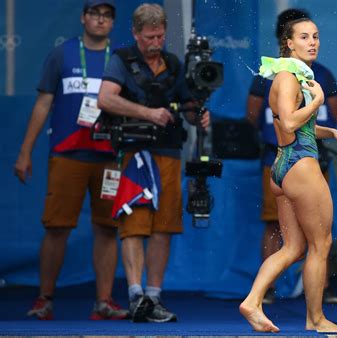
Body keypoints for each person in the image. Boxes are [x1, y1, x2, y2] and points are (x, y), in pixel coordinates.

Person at [13, 0, 128, 320]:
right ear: (83, 18)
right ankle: (44, 298)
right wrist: (25, 151)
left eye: (107, 15)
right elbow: (43, 103)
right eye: (95, 14)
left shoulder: (119, 58)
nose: (100, 20)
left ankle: (104, 301)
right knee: (57, 228)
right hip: (67, 155)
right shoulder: (61, 54)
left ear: (112, 22)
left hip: (109, 157)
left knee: (107, 228)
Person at [97, 3, 210, 323]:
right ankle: (135, 295)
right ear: (136, 34)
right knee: (134, 223)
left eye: (160, 36)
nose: (155, 42)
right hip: (135, 153)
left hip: (170, 153)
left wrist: (198, 115)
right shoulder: (122, 59)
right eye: (149, 37)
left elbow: (187, 107)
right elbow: (104, 98)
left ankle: (154, 297)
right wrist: (147, 113)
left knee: (165, 227)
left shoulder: (173, 64)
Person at [239, 18, 337, 332]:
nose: (312, 42)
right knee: (321, 244)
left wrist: (333, 133)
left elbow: (300, 127)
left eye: (316, 36)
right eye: (304, 37)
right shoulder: (288, 78)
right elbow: (288, 124)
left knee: (293, 248)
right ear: (289, 43)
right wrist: (317, 100)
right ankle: (316, 319)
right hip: (300, 165)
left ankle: (252, 300)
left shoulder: (292, 75)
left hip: (283, 165)